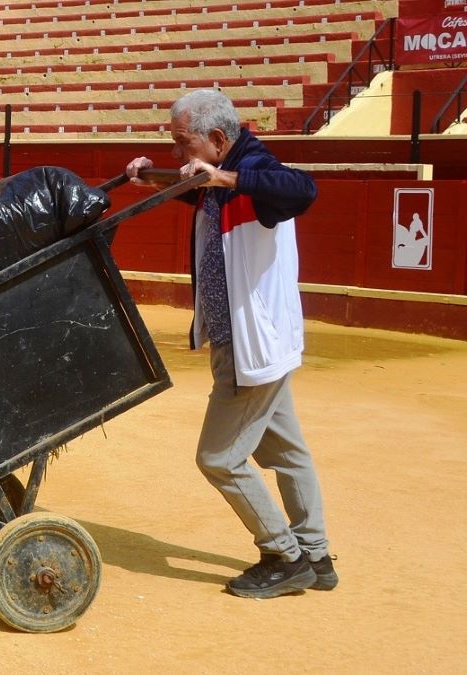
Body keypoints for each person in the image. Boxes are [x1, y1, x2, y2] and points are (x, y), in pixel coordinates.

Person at [125, 89, 337, 599]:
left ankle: (284, 556)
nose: (179, 154)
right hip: (251, 341)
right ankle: (316, 553)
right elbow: (200, 190)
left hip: (251, 347)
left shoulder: (254, 168)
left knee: (219, 458)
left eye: (182, 144)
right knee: (286, 452)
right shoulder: (221, 170)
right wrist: (152, 173)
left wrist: (224, 177)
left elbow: (301, 189)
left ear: (218, 139)